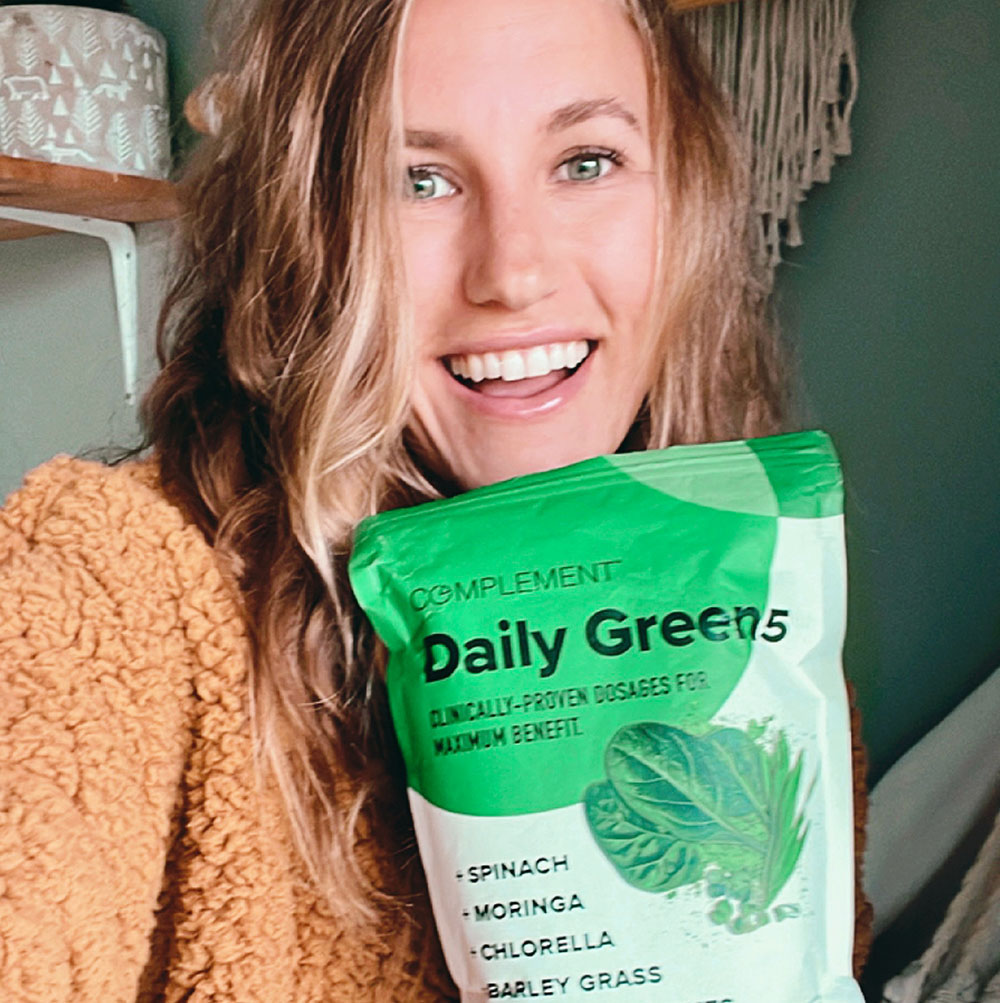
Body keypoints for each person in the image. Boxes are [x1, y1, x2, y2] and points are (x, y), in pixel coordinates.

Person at [1, 0, 866, 999]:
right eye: (417, 180)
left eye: (585, 161)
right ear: (305, 230)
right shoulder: (120, 589)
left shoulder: (758, 628)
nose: (513, 272)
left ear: (692, 198)